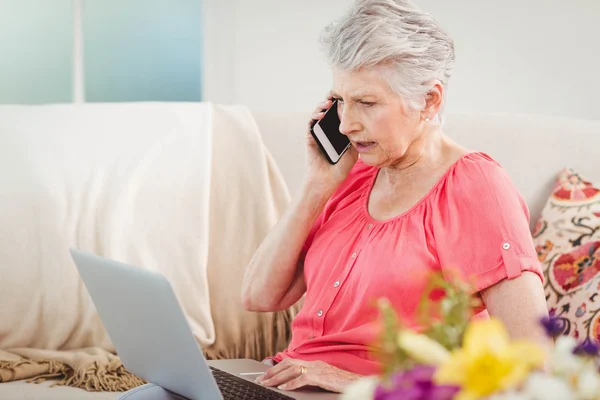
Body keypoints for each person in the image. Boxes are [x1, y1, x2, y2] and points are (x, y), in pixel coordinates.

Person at [241, 0, 549, 394]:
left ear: (429, 100)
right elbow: (259, 295)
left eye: (367, 103)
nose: (348, 124)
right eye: (341, 100)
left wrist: (358, 383)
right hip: (286, 384)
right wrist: (316, 185)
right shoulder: (352, 172)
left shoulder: (475, 187)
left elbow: (533, 368)